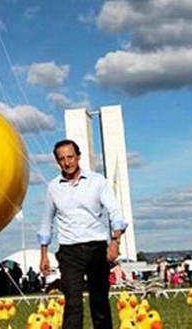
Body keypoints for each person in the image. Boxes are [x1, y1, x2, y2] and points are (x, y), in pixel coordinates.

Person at [38, 139, 127, 329]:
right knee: (72, 303)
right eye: (61, 159)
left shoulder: (97, 182)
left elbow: (115, 211)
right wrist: (43, 254)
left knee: (100, 300)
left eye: (70, 157)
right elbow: (46, 221)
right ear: (57, 162)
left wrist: (115, 241)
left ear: (78, 157)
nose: (67, 162)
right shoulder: (53, 188)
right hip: (69, 251)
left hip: (96, 247)